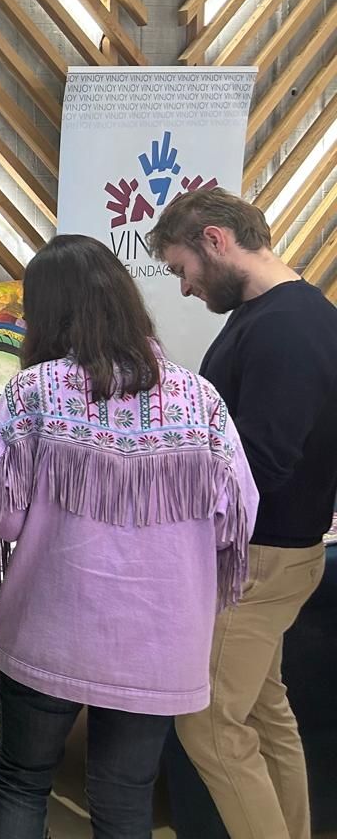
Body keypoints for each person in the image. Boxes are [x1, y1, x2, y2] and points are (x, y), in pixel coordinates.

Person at [0, 234, 259, 838]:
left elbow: (2, 515)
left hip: (53, 624)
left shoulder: (34, 392)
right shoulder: (200, 401)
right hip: (159, 638)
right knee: (124, 797)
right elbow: (239, 512)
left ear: (46, 311)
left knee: (22, 780)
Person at [149, 188, 337, 839]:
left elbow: (260, 459)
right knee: (262, 712)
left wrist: (164, 493)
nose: (182, 289)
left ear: (215, 242)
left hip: (259, 559)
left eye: (181, 270)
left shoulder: (287, 325)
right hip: (270, 550)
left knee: (208, 723)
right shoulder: (277, 313)